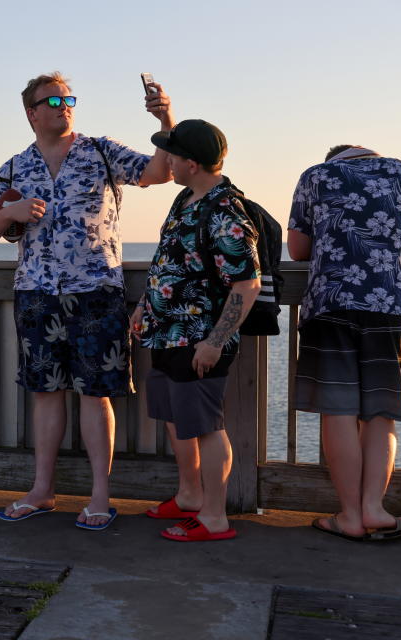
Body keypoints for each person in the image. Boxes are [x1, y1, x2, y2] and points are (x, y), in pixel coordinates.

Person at [0, 71, 174, 530]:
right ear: (31, 113)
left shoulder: (101, 150)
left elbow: (159, 173)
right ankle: (42, 491)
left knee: (96, 396)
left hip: (96, 291)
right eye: (54, 100)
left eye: (69, 99)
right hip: (36, 294)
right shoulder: (13, 168)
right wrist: (11, 211)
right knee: (45, 395)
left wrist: (165, 120)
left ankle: (100, 498)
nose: (65, 105)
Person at [288, 144, 401, 541]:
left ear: (336, 158)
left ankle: (349, 516)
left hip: (331, 302)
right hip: (390, 303)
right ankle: (374, 509)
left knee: (339, 411)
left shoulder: (316, 175)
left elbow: (298, 250)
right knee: (380, 412)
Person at [132, 119, 261, 542]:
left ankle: (215, 516)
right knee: (176, 418)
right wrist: (142, 306)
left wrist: (215, 340)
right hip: (166, 332)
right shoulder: (186, 200)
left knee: (206, 426)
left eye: (171, 153)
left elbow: (246, 282)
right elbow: (169, 260)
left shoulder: (225, 210)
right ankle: (189, 495)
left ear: (190, 162)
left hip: (200, 338)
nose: (165, 160)